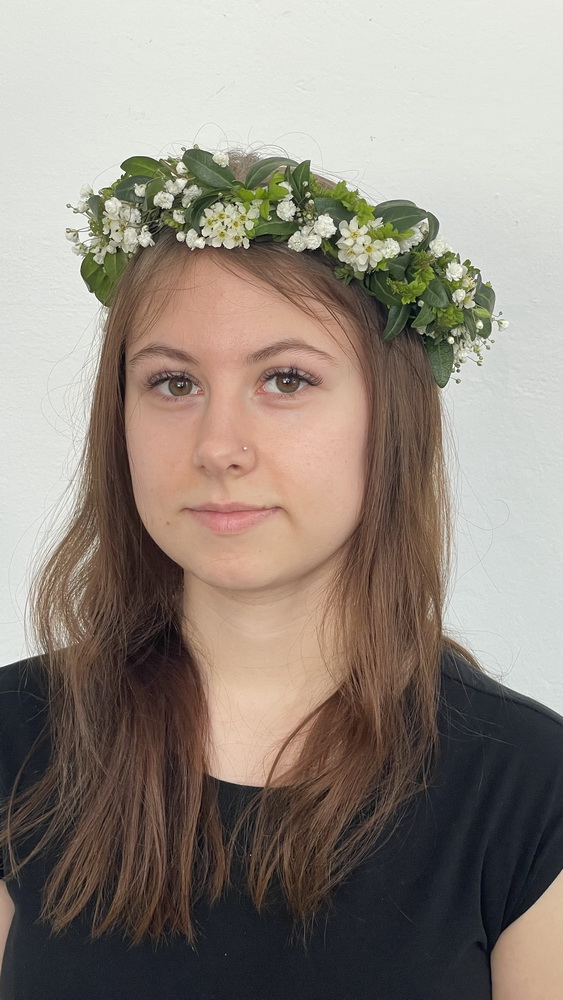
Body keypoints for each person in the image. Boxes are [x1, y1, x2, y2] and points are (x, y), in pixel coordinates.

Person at [0, 142, 561, 1000]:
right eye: (173, 383)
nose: (218, 447)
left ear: (389, 420)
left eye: (286, 379)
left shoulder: (526, 790)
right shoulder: (15, 739)